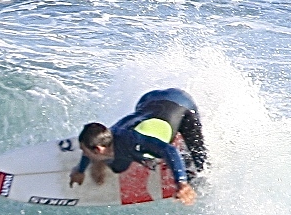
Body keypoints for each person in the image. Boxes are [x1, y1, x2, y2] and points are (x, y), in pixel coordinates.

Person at [69, 88, 207, 205]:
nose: (83, 154)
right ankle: (102, 162)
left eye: (84, 151)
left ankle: (180, 148)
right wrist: (80, 170)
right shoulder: (107, 135)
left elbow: (169, 150)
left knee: (200, 164)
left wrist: (181, 183)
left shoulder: (134, 142)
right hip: (148, 100)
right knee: (118, 166)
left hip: (182, 104)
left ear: (98, 150)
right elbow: (91, 146)